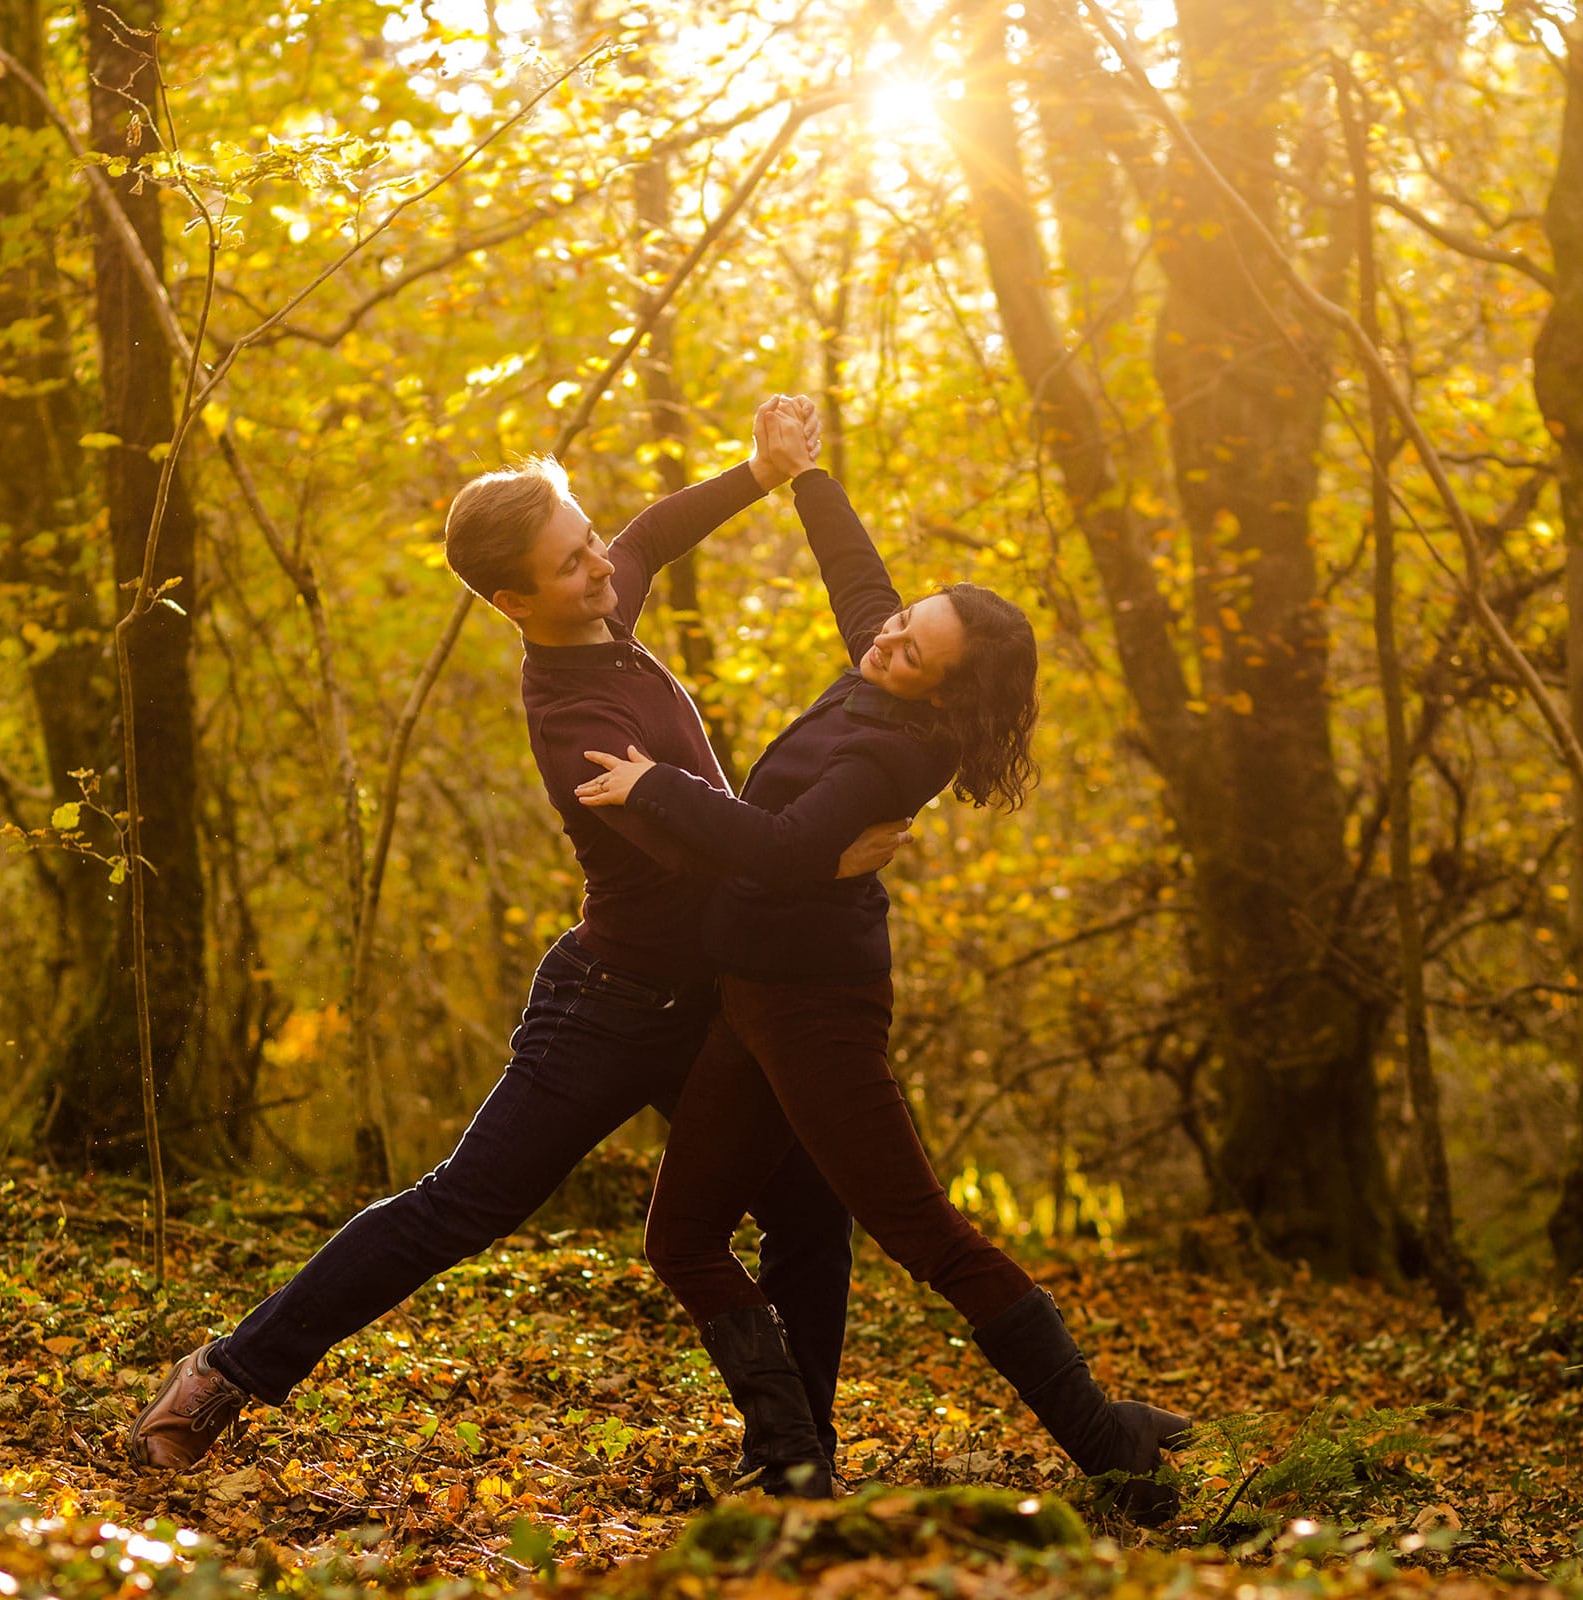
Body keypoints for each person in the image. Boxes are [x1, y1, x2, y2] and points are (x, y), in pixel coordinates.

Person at [127, 398, 903, 1489]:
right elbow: (709, 861)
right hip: (612, 1004)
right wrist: (828, 854)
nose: (600, 564)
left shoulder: (595, 599)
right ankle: (219, 1377)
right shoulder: (574, 722)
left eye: (586, 541)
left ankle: (795, 1457)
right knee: (463, 1206)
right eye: (571, 561)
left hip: (717, 997)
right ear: (512, 601)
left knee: (808, 1208)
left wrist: (760, 472)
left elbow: (646, 538)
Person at [572, 404, 1189, 1520]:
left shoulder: (895, 750)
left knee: (920, 1231)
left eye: (915, 649)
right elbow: (858, 579)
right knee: (682, 1233)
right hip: (753, 994)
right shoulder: (887, 664)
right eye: (904, 621)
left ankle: (1113, 1447)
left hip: (815, 1009)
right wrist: (802, 477)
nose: (888, 639)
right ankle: (793, 1462)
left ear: (945, 689)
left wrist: (651, 787)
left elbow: (787, 849)